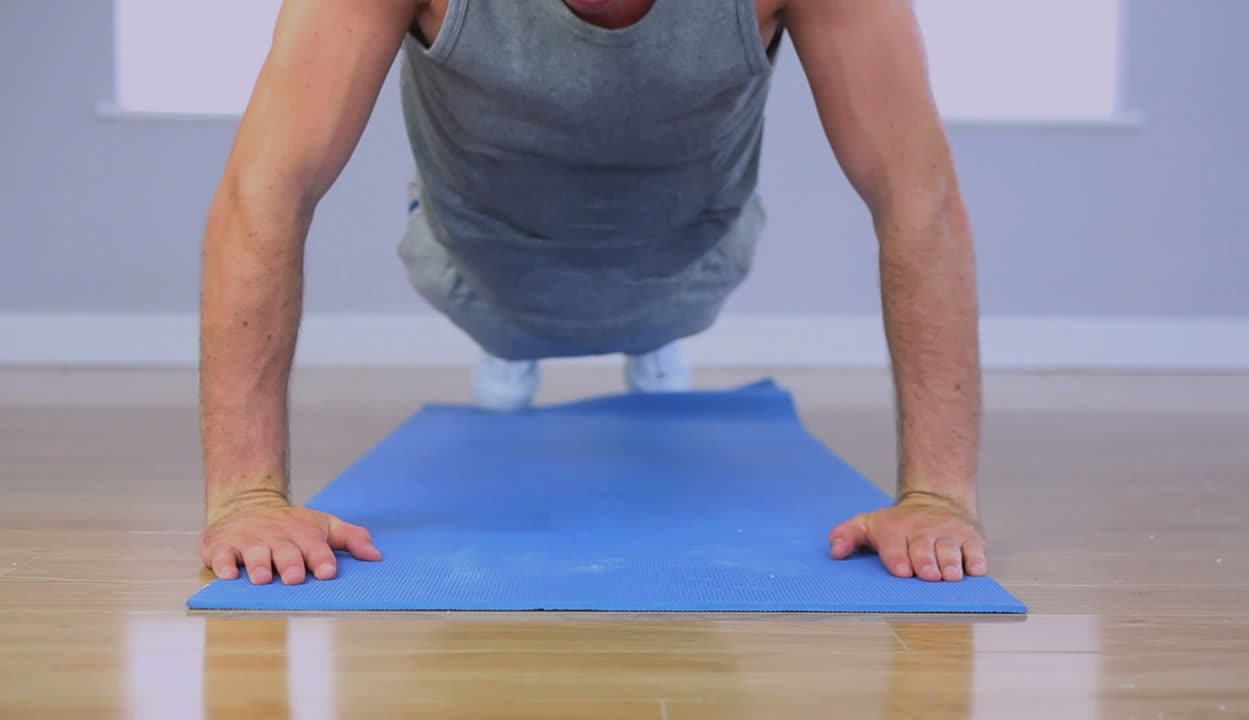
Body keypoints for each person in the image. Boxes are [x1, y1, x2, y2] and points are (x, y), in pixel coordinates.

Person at [198, 0, 988, 588]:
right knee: (510, 320)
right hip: (479, 269)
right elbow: (266, 189)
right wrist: (247, 497)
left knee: (659, 308)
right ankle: (521, 344)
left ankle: (647, 334)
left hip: (691, 267)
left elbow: (921, 197)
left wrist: (937, 497)